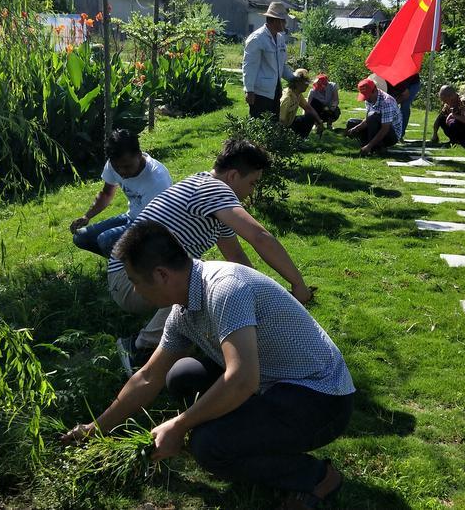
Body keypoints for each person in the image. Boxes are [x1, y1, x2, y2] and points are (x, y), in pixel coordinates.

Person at [63, 221, 354, 509]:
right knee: (181, 376)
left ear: (161, 274)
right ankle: (244, 428)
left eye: (136, 282)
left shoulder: (224, 289)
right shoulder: (183, 309)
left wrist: (179, 426)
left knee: (208, 446)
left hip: (321, 397)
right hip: (271, 382)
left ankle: (316, 478)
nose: (136, 291)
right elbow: (149, 377)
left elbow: (242, 380)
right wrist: (95, 428)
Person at [107, 139, 313, 373]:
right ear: (233, 176)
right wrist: (298, 285)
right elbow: (260, 237)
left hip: (136, 276)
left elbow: (236, 258)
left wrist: (265, 299)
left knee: (211, 277)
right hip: (129, 280)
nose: (251, 191)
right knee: (200, 280)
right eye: (253, 183)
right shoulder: (214, 190)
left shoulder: (209, 196)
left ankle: (177, 342)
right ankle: (140, 348)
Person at [70, 129, 172, 257]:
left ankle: (139, 269)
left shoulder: (157, 179)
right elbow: (107, 193)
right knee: (81, 237)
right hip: (132, 218)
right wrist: (87, 216)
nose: (121, 172)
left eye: (127, 166)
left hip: (155, 228)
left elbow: (156, 224)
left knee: (106, 240)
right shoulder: (114, 163)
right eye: (116, 167)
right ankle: (124, 263)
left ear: (139, 155)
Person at [243, 2, 296, 119]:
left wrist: (295, 79)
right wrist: (249, 90)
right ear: (276, 21)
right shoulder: (257, 38)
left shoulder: (280, 39)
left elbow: (281, 66)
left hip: (276, 91)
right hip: (259, 93)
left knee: (273, 126)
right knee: (259, 126)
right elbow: (249, 66)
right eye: (283, 20)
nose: (285, 23)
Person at [346, 78, 404, 155]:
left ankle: (374, 147)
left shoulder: (387, 102)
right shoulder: (369, 99)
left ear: (375, 91)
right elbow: (367, 120)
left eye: (368, 96)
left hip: (391, 134)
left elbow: (385, 129)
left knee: (373, 117)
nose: (366, 99)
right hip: (377, 124)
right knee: (351, 123)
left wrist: (369, 146)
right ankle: (371, 145)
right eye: (364, 96)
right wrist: (355, 128)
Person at [280, 69, 325, 137]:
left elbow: (308, 108)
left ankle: (301, 140)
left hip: (290, 122)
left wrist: (319, 121)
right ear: (298, 83)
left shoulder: (298, 94)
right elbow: (281, 120)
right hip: (283, 127)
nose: (307, 85)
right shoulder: (287, 98)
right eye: (306, 83)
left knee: (310, 117)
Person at [389, 73, 421, 140]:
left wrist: (393, 104)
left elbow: (406, 95)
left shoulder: (398, 82)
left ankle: (400, 134)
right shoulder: (383, 82)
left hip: (412, 84)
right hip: (401, 82)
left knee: (405, 106)